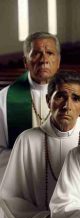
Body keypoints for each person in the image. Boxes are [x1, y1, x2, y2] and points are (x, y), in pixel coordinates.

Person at [0, 71, 80, 218]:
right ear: (48, 100)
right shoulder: (27, 140)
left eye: (75, 99)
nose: (67, 106)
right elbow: (9, 196)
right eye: (60, 96)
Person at [0, 32, 61, 180]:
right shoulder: (4, 98)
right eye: (37, 54)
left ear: (58, 61)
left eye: (50, 53)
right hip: (19, 180)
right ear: (25, 62)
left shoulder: (72, 96)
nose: (44, 59)